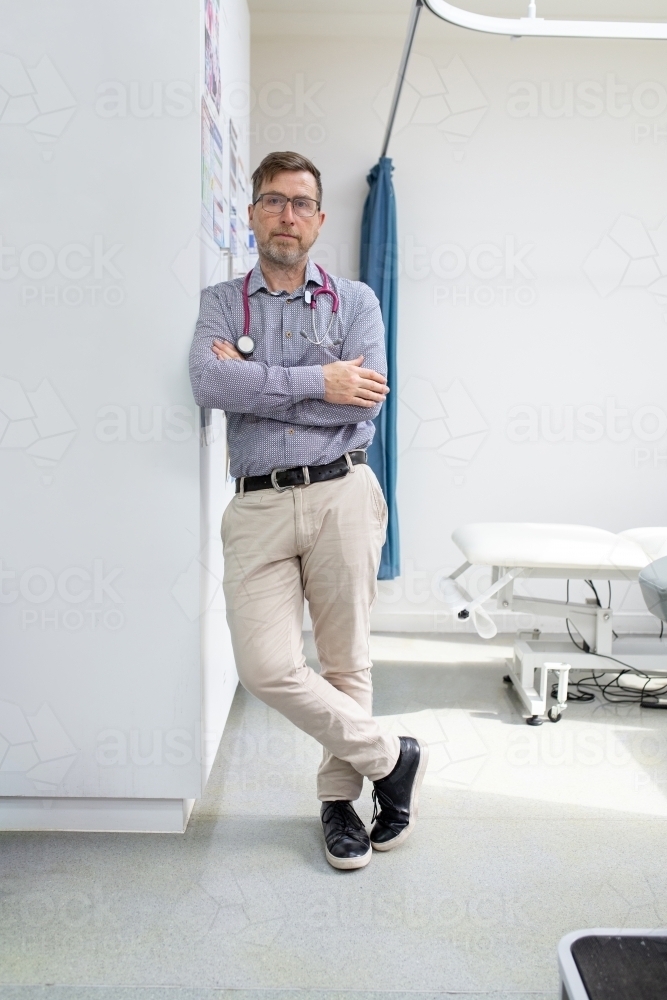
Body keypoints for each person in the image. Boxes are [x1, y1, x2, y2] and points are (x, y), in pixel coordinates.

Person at [189, 150, 428, 870]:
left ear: (319, 219)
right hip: (257, 504)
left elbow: (364, 405)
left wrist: (258, 380)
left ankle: (337, 804)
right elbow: (207, 382)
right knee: (266, 667)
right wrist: (319, 380)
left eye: (299, 202)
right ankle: (393, 757)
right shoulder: (219, 303)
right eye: (272, 201)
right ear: (252, 213)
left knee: (344, 660)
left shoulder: (355, 302)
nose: (286, 214)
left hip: (340, 489)